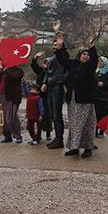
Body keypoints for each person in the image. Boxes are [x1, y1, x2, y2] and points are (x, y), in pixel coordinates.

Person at [54, 29, 99, 158]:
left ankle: (88, 147)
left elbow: (94, 59)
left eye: (87, 54)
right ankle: (74, 147)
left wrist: (92, 46)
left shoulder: (90, 66)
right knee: (74, 123)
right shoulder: (73, 64)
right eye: (83, 54)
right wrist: (61, 45)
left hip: (85, 99)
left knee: (86, 124)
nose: (86, 56)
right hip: (73, 99)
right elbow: (62, 59)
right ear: (79, 55)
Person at [42, 20, 67, 150]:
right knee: (52, 114)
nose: (55, 46)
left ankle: (59, 138)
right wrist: (45, 83)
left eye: (57, 44)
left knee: (57, 115)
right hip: (51, 88)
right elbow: (47, 72)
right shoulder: (51, 59)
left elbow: (63, 50)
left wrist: (57, 32)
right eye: (54, 44)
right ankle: (56, 137)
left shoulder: (62, 58)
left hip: (57, 88)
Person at [0, 63, 24, 144]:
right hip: (3, 95)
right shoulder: (5, 70)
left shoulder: (18, 71)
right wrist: (0, 70)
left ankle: (18, 135)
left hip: (12, 96)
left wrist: (6, 70)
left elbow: (14, 77)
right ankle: (7, 136)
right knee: (5, 116)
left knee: (11, 117)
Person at [31, 52, 53, 141]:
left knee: (48, 115)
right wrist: (35, 57)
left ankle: (48, 133)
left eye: (48, 63)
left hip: (48, 96)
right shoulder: (40, 71)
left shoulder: (52, 72)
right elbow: (33, 65)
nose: (46, 65)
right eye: (45, 63)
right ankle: (38, 134)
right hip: (39, 96)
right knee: (38, 115)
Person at [95, 56, 108, 137]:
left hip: (104, 97)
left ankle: (101, 131)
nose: (99, 63)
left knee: (103, 115)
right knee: (96, 114)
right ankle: (95, 130)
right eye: (98, 61)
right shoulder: (96, 71)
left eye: (101, 61)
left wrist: (103, 84)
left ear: (105, 63)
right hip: (96, 96)